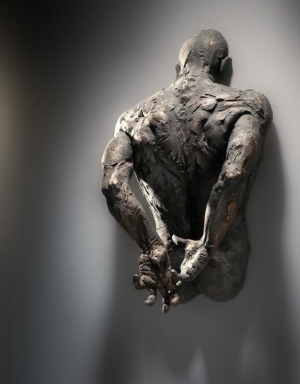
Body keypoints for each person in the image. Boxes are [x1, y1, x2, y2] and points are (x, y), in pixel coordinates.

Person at [101, 29, 272, 311]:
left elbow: (112, 184)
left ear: (178, 68)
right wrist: (206, 248)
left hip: (169, 262)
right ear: (223, 66)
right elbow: (234, 174)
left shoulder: (131, 119)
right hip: (223, 266)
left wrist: (151, 246)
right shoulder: (246, 105)